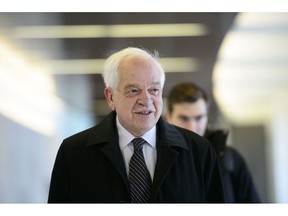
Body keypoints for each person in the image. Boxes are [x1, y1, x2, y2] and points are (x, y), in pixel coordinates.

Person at [48, 47, 226, 203]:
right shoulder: (74, 153)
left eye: (153, 90)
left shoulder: (199, 151)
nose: (146, 101)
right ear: (111, 97)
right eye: (134, 91)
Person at [165, 82, 261, 203]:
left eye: (198, 118)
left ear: (206, 117)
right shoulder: (156, 158)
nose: (192, 127)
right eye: (183, 118)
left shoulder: (230, 158)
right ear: (168, 117)